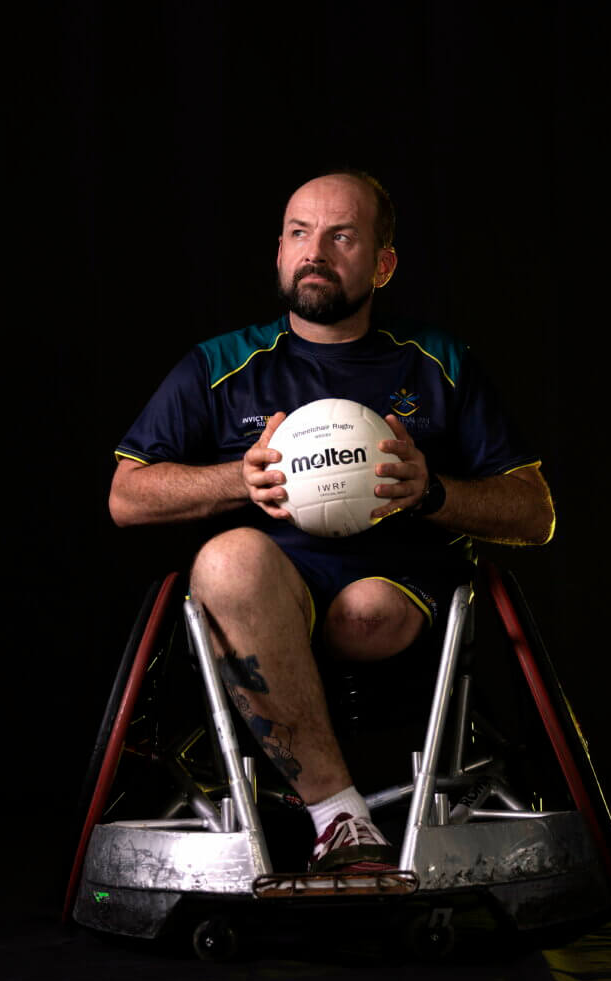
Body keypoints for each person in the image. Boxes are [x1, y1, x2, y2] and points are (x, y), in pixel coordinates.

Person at [109, 170, 555, 873]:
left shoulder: (439, 362)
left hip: (396, 590)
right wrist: (239, 479)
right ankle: (339, 817)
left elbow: (534, 515)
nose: (314, 251)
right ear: (280, 253)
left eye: (340, 236)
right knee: (228, 560)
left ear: (382, 264)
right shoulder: (219, 365)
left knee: (366, 610)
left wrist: (432, 492)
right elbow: (126, 497)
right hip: (263, 592)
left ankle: (334, 805)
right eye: (298, 233)